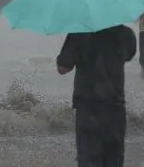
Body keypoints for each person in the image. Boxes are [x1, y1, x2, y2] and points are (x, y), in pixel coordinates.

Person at [56, 25, 137, 167]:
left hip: (88, 108)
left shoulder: (80, 32)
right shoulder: (126, 33)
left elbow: (63, 68)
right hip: (115, 107)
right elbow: (129, 55)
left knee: (89, 160)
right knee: (114, 159)